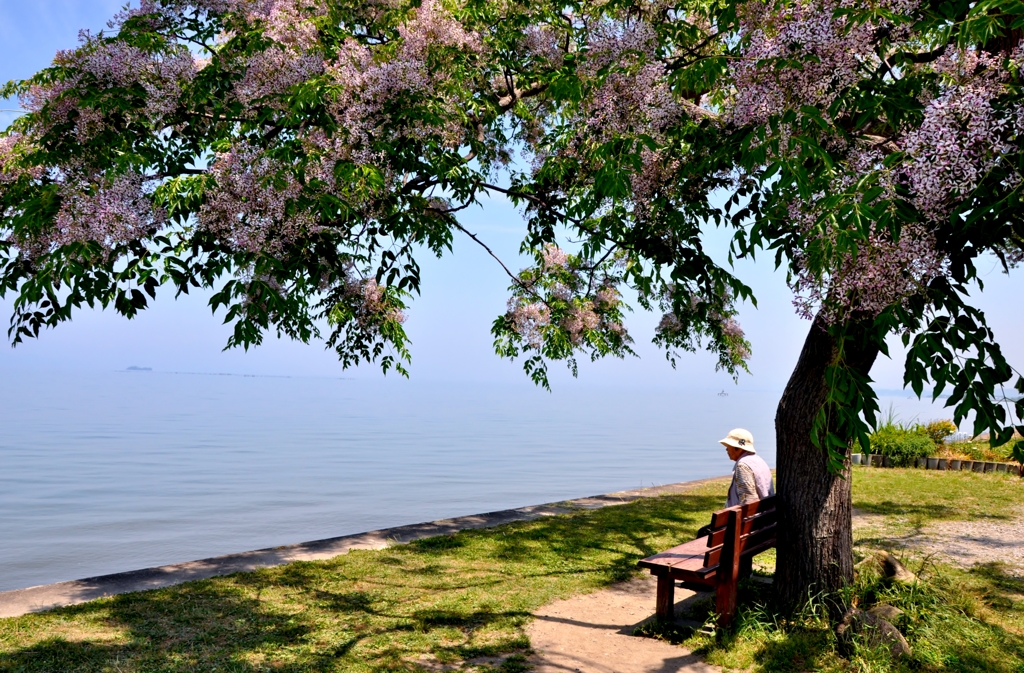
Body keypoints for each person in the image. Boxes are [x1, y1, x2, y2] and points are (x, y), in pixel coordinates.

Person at [720, 428, 775, 507]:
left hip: (751, 518)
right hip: (766, 513)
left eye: (728, 445)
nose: (726, 449)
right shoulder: (759, 460)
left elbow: (749, 501)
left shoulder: (743, 466)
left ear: (737, 448)